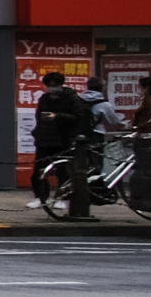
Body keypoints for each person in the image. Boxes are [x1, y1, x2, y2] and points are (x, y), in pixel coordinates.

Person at [31, 68, 103, 216]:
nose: (52, 88)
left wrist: (57, 116)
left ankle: (62, 198)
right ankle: (40, 197)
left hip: (64, 139)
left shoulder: (72, 98)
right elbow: (38, 117)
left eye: (55, 85)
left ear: (61, 85)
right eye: (49, 85)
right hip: (44, 139)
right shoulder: (44, 99)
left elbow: (77, 117)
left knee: (63, 171)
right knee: (39, 171)